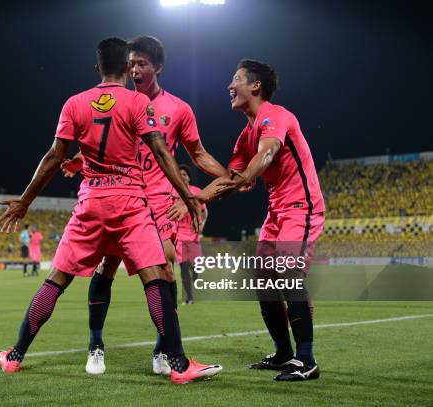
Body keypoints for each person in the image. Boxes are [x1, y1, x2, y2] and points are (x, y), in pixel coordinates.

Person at [0, 37, 222, 384]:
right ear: (127, 68)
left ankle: (14, 355)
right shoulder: (137, 102)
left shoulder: (75, 103)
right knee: (156, 277)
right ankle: (177, 364)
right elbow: (161, 153)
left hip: (91, 203)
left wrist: (25, 201)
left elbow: (54, 156)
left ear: (97, 67)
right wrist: (188, 195)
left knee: (57, 278)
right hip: (131, 202)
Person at [61, 36, 227, 375]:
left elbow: (197, 153)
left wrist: (230, 176)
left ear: (158, 68)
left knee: (166, 269)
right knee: (105, 268)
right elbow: (103, 143)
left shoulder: (178, 109)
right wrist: (79, 161)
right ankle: (95, 346)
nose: (135, 69)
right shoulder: (116, 101)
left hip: (157, 200)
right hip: (120, 197)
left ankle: (162, 352)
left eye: (142, 64)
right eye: (131, 63)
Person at [198, 59, 325, 381]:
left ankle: (306, 360)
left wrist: (235, 181)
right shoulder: (245, 136)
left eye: (236, 79)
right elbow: (233, 178)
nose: (230, 86)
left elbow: (266, 155)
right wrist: (193, 195)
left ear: (255, 86)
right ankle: (284, 353)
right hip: (276, 212)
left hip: (301, 207)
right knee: (264, 279)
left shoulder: (276, 116)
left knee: (287, 272)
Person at [173, 165, 208, 305]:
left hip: (193, 237)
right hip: (179, 237)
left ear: (189, 177)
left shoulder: (196, 192)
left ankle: (196, 278)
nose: (182, 176)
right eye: (179, 174)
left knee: (195, 269)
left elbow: (204, 212)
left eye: (185, 174)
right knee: (183, 269)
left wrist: (200, 227)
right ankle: (189, 298)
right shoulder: (173, 192)